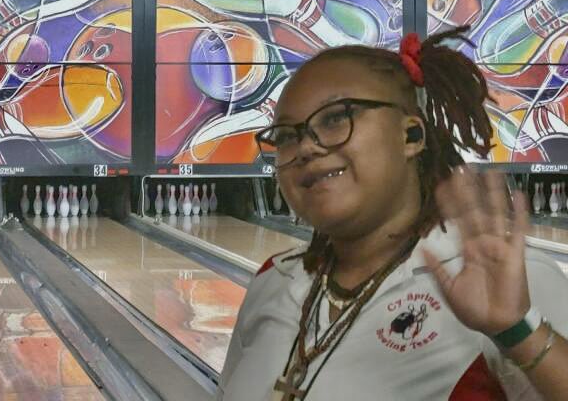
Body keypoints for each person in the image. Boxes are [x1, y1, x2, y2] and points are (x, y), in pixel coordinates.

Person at [218, 28, 568, 400]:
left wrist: (520, 332)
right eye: (286, 135)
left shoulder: (512, 281)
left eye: (336, 118)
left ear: (411, 136)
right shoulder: (273, 281)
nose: (305, 146)